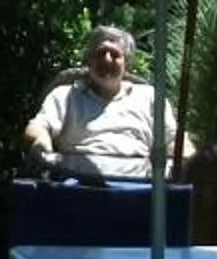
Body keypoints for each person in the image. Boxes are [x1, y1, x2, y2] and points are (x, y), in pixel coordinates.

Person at [19, 24, 186, 179]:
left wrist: (189, 158)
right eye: (100, 54)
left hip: (138, 186)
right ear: (89, 61)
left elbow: (174, 140)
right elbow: (37, 127)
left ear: (126, 64)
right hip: (77, 184)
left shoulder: (149, 97)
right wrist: (41, 144)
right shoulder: (65, 95)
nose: (107, 60)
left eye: (115, 55)